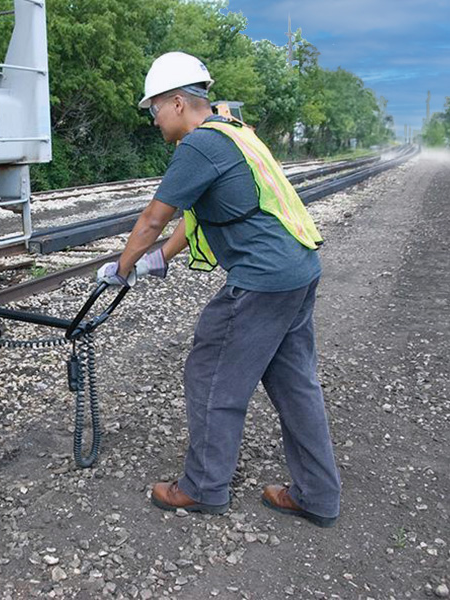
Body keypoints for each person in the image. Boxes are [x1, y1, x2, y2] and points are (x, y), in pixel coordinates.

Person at [96, 51, 341, 528]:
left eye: (155, 109)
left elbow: (153, 218)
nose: (154, 120)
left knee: (210, 376)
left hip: (262, 281)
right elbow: (201, 216)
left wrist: (121, 268)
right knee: (296, 387)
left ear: (179, 102)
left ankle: (203, 487)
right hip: (297, 269)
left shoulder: (198, 146)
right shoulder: (235, 133)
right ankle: (317, 495)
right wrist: (157, 261)